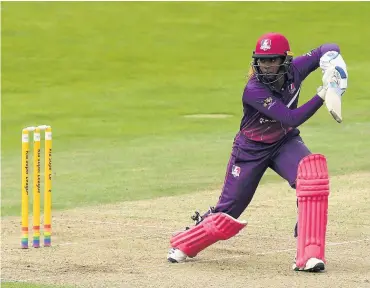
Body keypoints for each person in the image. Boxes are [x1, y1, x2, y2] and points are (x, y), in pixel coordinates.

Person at [167, 32, 348, 272]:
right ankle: (185, 243)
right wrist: (324, 93)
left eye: (272, 60)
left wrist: (333, 64)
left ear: (285, 59)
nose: (267, 65)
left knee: (312, 178)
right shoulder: (253, 90)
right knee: (229, 210)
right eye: (262, 60)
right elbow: (292, 117)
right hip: (250, 150)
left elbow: (328, 47)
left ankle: (309, 254)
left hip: (284, 142)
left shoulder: (295, 70)